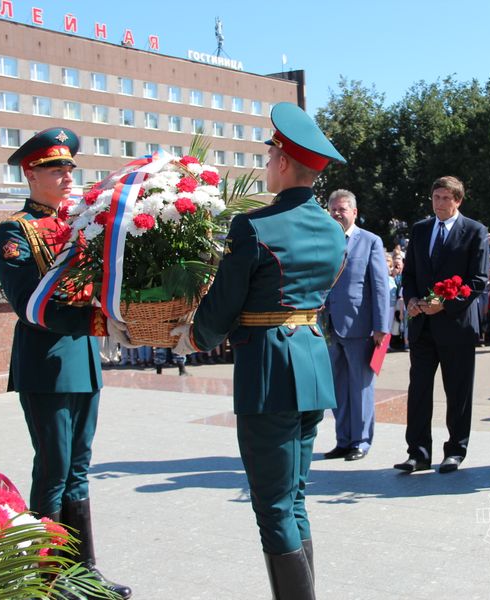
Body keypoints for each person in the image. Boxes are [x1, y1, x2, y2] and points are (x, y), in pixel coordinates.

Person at [170, 102, 346, 599]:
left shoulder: (254, 226)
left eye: (270, 156)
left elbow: (225, 303)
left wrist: (192, 337)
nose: (266, 165)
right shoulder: (334, 231)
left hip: (269, 369)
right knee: (294, 498)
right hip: (311, 363)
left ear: (285, 162)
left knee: (272, 505)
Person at [0, 128, 130, 599]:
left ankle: (84, 572)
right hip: (46, 362)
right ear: (31, 173)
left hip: (84, 360)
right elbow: (31, 302)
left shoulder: (79, 223)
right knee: (53, 470)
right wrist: (96, 323)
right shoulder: (16, 231)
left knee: (79, 468)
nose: (67, 176)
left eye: (69, 168)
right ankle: (45, 580)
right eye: (56, 169)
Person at [395, 176, 489, 474]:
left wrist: (445, 304)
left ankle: (455, 451)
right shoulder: (421, 230)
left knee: (457, 391)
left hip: (456, 325)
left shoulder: (474, 231)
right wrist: (410, 298)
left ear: (458, 200)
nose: (439, 203)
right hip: (422, 324)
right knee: (419, 390)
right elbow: (409, 273)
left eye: (446, 198)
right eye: (435, 197)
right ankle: (418, 453)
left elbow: (478, 280)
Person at [323, 189, 390, 462]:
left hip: (360, 328)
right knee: (337, 388)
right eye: (334, 209)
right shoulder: (324, 240)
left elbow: (380, 286)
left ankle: (361, 441)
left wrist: (381, 326)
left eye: (342, 209)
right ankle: (343, 439)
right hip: (328, 326)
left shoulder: (371, 241)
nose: (337, 213)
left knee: (361, 387)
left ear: (354, 212)